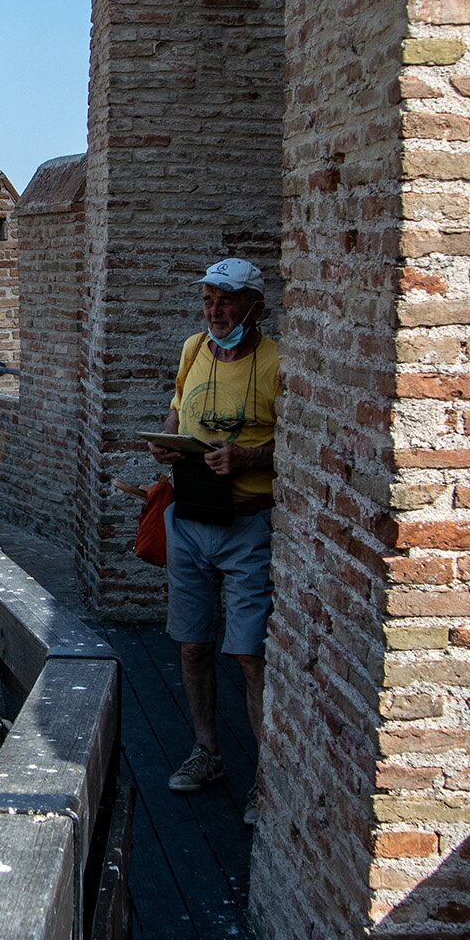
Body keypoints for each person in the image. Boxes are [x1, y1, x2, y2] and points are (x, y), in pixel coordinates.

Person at [146, 258, 279, 824]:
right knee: (193, 644)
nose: (215, 310)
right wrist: (166, 443)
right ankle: (207, 752)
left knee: (251, 655)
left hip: (248, 524)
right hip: (189, 519)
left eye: (226, 300)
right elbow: (176, 412)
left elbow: (300, 440)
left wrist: (249, 456)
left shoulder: (278, 364)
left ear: (255, 306)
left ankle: (267, 782)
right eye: (208, 299)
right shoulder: (193, 349)